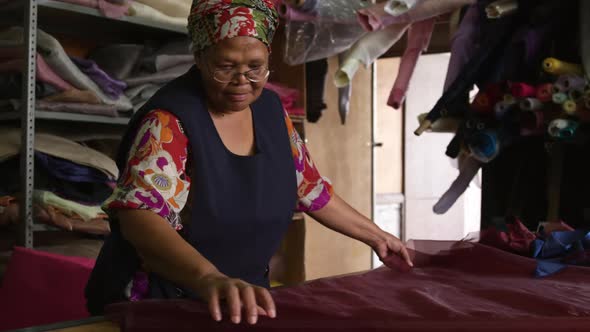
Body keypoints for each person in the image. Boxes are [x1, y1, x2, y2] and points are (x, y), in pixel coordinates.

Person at [85, 0, 413, 326]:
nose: (242, 80)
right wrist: (208, 278)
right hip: (162, 301)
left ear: (269, 57)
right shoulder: (169, 122)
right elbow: (140, 218)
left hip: (239, 299)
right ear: (199, 58)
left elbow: (309, 188)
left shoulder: (271, 111)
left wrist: (377, 236)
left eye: (255, 66)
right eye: (225, 66)